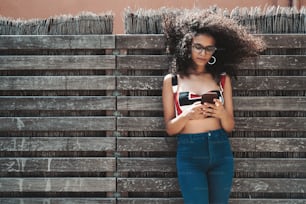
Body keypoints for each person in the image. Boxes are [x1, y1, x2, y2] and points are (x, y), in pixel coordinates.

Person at [162, 11, 265, 204]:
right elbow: (170, 128)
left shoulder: (222, 79)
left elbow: (229, 126)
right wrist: (187, 115)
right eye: (198, 47)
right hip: (189, 154)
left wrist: (221, 113)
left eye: (209, 49)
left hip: (220, 150)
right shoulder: (173, 81)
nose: (203, 53)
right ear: (187, 46)